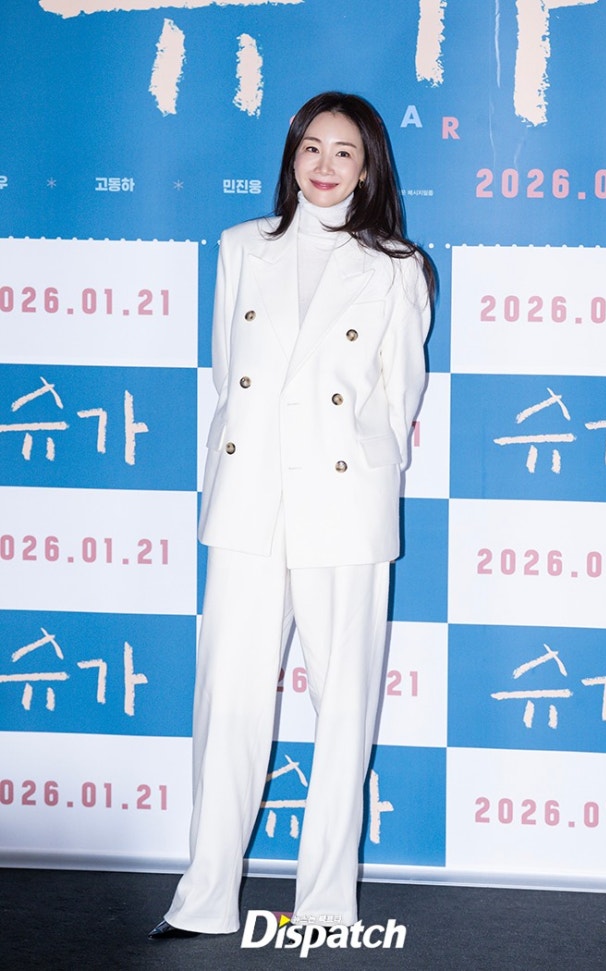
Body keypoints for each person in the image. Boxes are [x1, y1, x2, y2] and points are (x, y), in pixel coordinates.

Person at [149, 90, 435, 940]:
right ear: (292, 156)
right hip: (249, 498)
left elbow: (397, 399)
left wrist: (347, 461)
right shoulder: (242, 247)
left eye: (344, 151)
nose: (324, 164)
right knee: (226, 704)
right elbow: (225, 374)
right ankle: (203, 899)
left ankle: (324, 907)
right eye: (312, 146)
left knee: (342, 708)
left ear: (368, 167)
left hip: (342, 504)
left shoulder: (397, 267)